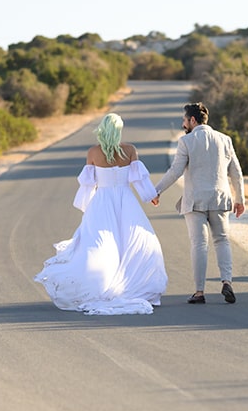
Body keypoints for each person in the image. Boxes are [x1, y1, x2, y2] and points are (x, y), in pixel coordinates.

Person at [34, 113, 167, 315]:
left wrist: (86, 206)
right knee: (132, 243)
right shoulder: (130, 150)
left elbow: (88, 185)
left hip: (102, 202)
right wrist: (151, 197)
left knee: (99, 245)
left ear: (103, 130)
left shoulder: (93, 153)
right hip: (126, 201)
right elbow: (139, 179)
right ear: (118, 130)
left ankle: (100, 284)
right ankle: (134, 286)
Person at [151, 102, 245, 304]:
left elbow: (175, 171)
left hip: (195, 200)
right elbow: (236, 173)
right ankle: (227, 281)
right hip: (220, 198)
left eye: (184, 120)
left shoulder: (186, 141)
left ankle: (199, 292)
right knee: (222, 240)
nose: (183, 123)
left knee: (199, 244)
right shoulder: (225, 139)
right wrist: (240, 200)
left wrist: (156, 190)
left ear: (192, 120)